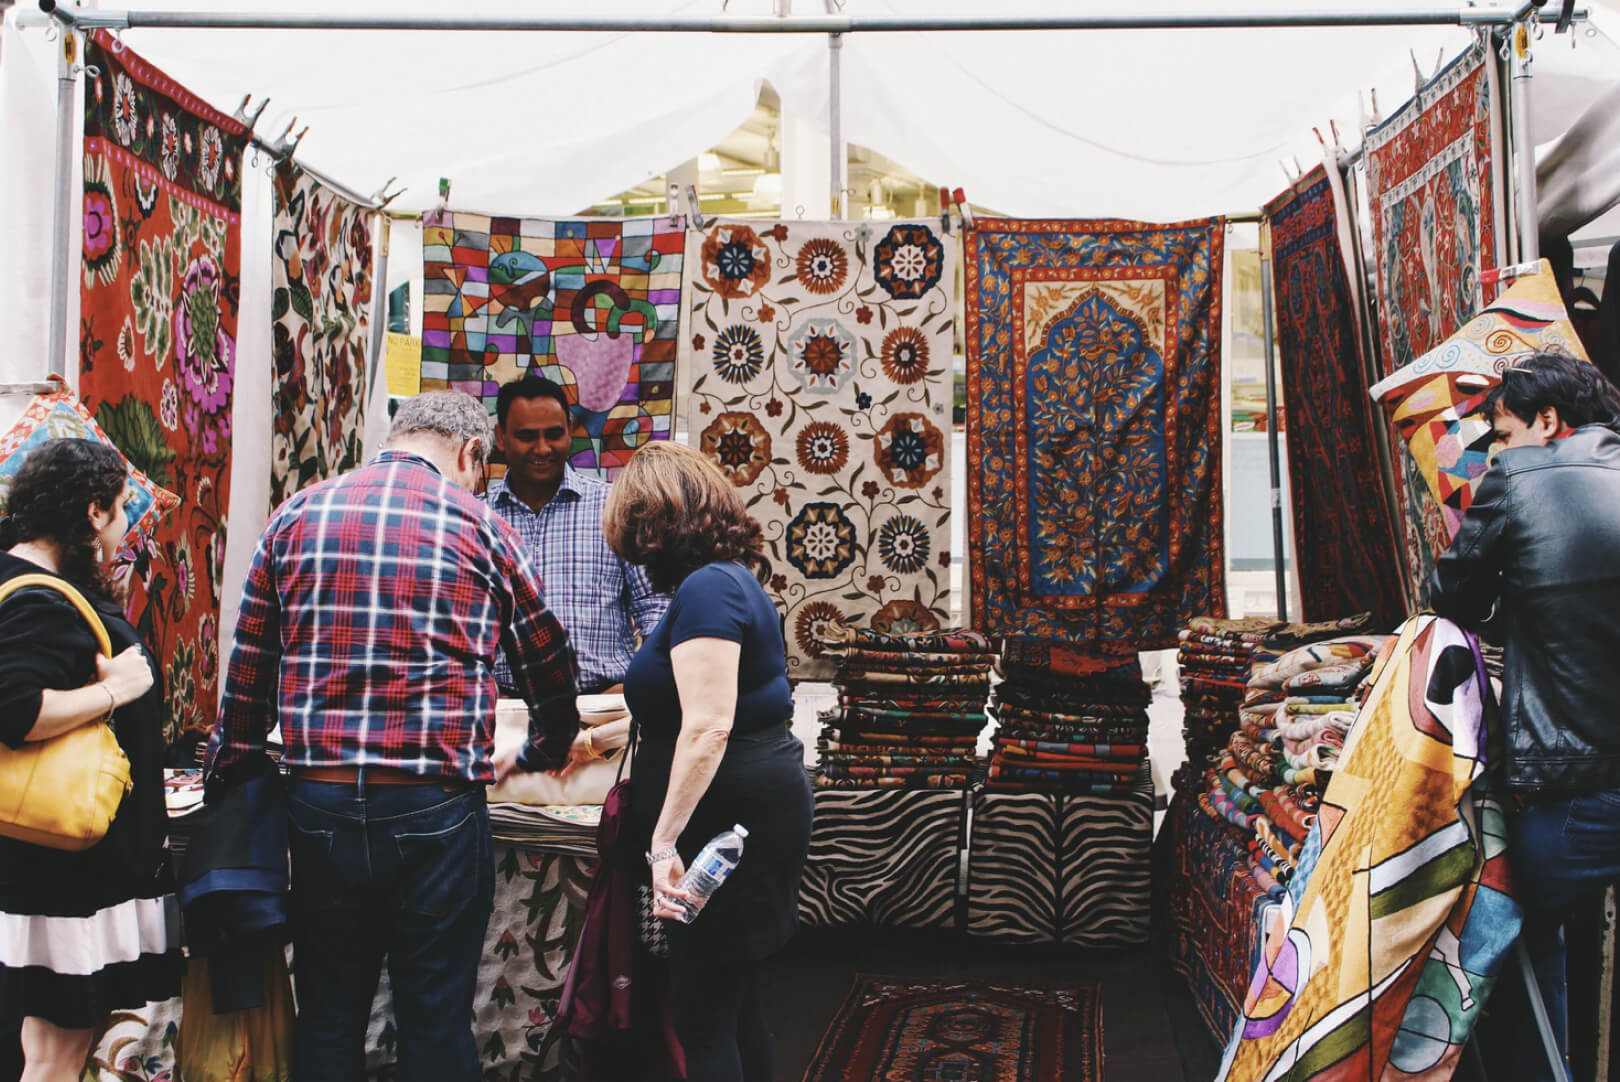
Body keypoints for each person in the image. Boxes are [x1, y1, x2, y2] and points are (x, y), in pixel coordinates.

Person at [205, 391, 581, 1082]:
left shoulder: (296, 515)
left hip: (316, 805)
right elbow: (548, 664)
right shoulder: (481, 526)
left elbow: (248, 669)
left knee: (327, 1011)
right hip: (433, 807)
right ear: (471, 453)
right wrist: (545, 748)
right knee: (434, 1016)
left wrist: (232, 770)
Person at [1431, 351, 1620, 1081]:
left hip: (1591, 792)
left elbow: (1451, 599)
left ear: (1548, 421)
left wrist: (1511, 599)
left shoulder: (1520, 478)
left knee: (1493, 902)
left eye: (1502, 434)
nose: (1497, 453)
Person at [603, 441, 812, 1082]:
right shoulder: (725, 585)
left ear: (656, 523)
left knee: (702, 1011)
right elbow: (699, 707)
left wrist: (664, 844)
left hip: (725, 828)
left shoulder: (706, 590)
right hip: (742, 812)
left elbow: (708, 727)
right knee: (732, 999)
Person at [0, 438, 182, 1082]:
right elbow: (15, 710)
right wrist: (115, 690)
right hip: (62, 873)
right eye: (122, 508)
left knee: (46, 1044)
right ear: (92, 510)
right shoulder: (36, 598)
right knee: (56, 1051)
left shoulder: (21, 582)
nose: (127, 524)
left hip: (48, 864)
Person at [488, 374, 668, 698]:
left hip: (603, 709)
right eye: (527, 436)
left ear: (570, 429)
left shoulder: (617, 508)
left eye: (554, 434)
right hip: (503, 718)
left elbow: (655, 605)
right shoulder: (475, 520)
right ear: (501, 437)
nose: (542, 449)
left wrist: (638, 684)